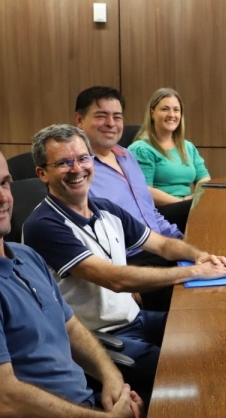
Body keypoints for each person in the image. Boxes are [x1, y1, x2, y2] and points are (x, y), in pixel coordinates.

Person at [0, 134, 142, 418]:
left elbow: (72, 328)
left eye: (4, 182)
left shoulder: (26, 255)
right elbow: (2, 400)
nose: (1, 197)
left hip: (87, 404)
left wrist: (113, 381)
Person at [22, 125, 226, 406]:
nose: (77, 169)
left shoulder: (104, 208)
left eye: (82, 158)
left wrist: (200, 255)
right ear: (43, 173)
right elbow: (115, 279)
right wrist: (194, 271)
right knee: (192, 371)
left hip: (136, 318)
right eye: (63, 163)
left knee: (215, 335)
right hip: (100, 340)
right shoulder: (44, 225)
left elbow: (161, 244)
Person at [74, 86, 185, 311]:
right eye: (101, 116)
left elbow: (150, 211)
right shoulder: (79, 170)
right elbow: (88, 235)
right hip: (129, 261)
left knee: (217, 274)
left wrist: (181, 241)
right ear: (79, 120)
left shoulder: (128, 157)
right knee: (195, 301)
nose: (111, 123)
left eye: (117, 116)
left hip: (160, 248)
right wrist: (121, 279)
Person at [129, 88, 211, 207]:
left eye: (176, 110)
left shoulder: (187, 146)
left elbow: (204, 178)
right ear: (152, 113)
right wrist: (183, 203)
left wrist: (197, 197)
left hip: (187, 206)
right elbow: (144, 191)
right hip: (161, 211)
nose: (171, 115)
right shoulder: (141, 149)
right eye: (164, 109)